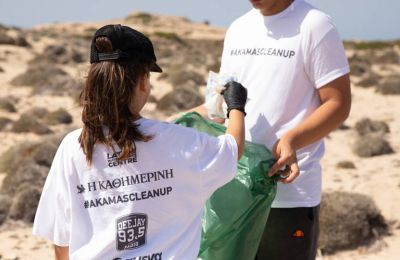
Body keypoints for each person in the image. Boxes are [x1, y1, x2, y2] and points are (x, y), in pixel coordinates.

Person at [32, 24, 248, 260]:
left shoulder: (73, 146)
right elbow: (233, 149)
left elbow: (62, 240)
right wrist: (236, 106)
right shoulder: (180, 142)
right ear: (143, 81)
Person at [188, 0, 351, 259]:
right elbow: (220, 105)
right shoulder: (238, 28)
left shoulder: (315, 25)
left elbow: (338, 103)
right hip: (234, 192)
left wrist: (293, 139)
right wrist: (168, 125)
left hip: (289, 195)